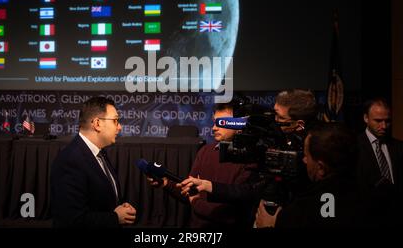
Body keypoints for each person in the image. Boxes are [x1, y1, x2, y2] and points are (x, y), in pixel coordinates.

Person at [180, 89, 318, 204]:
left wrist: (210, 187)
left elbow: (250, 192)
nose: (273, 121)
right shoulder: (261, 144)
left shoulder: (311, 151)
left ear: (299, 125)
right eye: (273, 114)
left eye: (280, 119)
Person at [148, 100, 256, 228]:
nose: (214, 128)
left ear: (239, 126)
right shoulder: (205, 151)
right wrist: (165, 183)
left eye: (222, 123)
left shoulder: (251, 158)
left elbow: (232, 212)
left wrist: (196, 202)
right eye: (215, 122)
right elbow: (190, 193)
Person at [255, 123, 369, 228]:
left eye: (306, 155)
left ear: (320, 168)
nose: (304, 160)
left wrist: (271, 226)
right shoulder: (372, 199)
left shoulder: (302, 212)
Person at [51, 96, 136, 228]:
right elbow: (71, 220)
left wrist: (121, 207)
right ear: (97, 124)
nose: (119, 127)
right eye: (115, 121)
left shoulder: (100, 153)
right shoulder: (70, 160)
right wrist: (115, 218)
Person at [356, 98, 403, 226]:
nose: (383, 126)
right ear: (366, 118)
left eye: (387, 121)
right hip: (366, 219)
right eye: (378, 121)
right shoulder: (354, 147)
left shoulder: (399, 147)